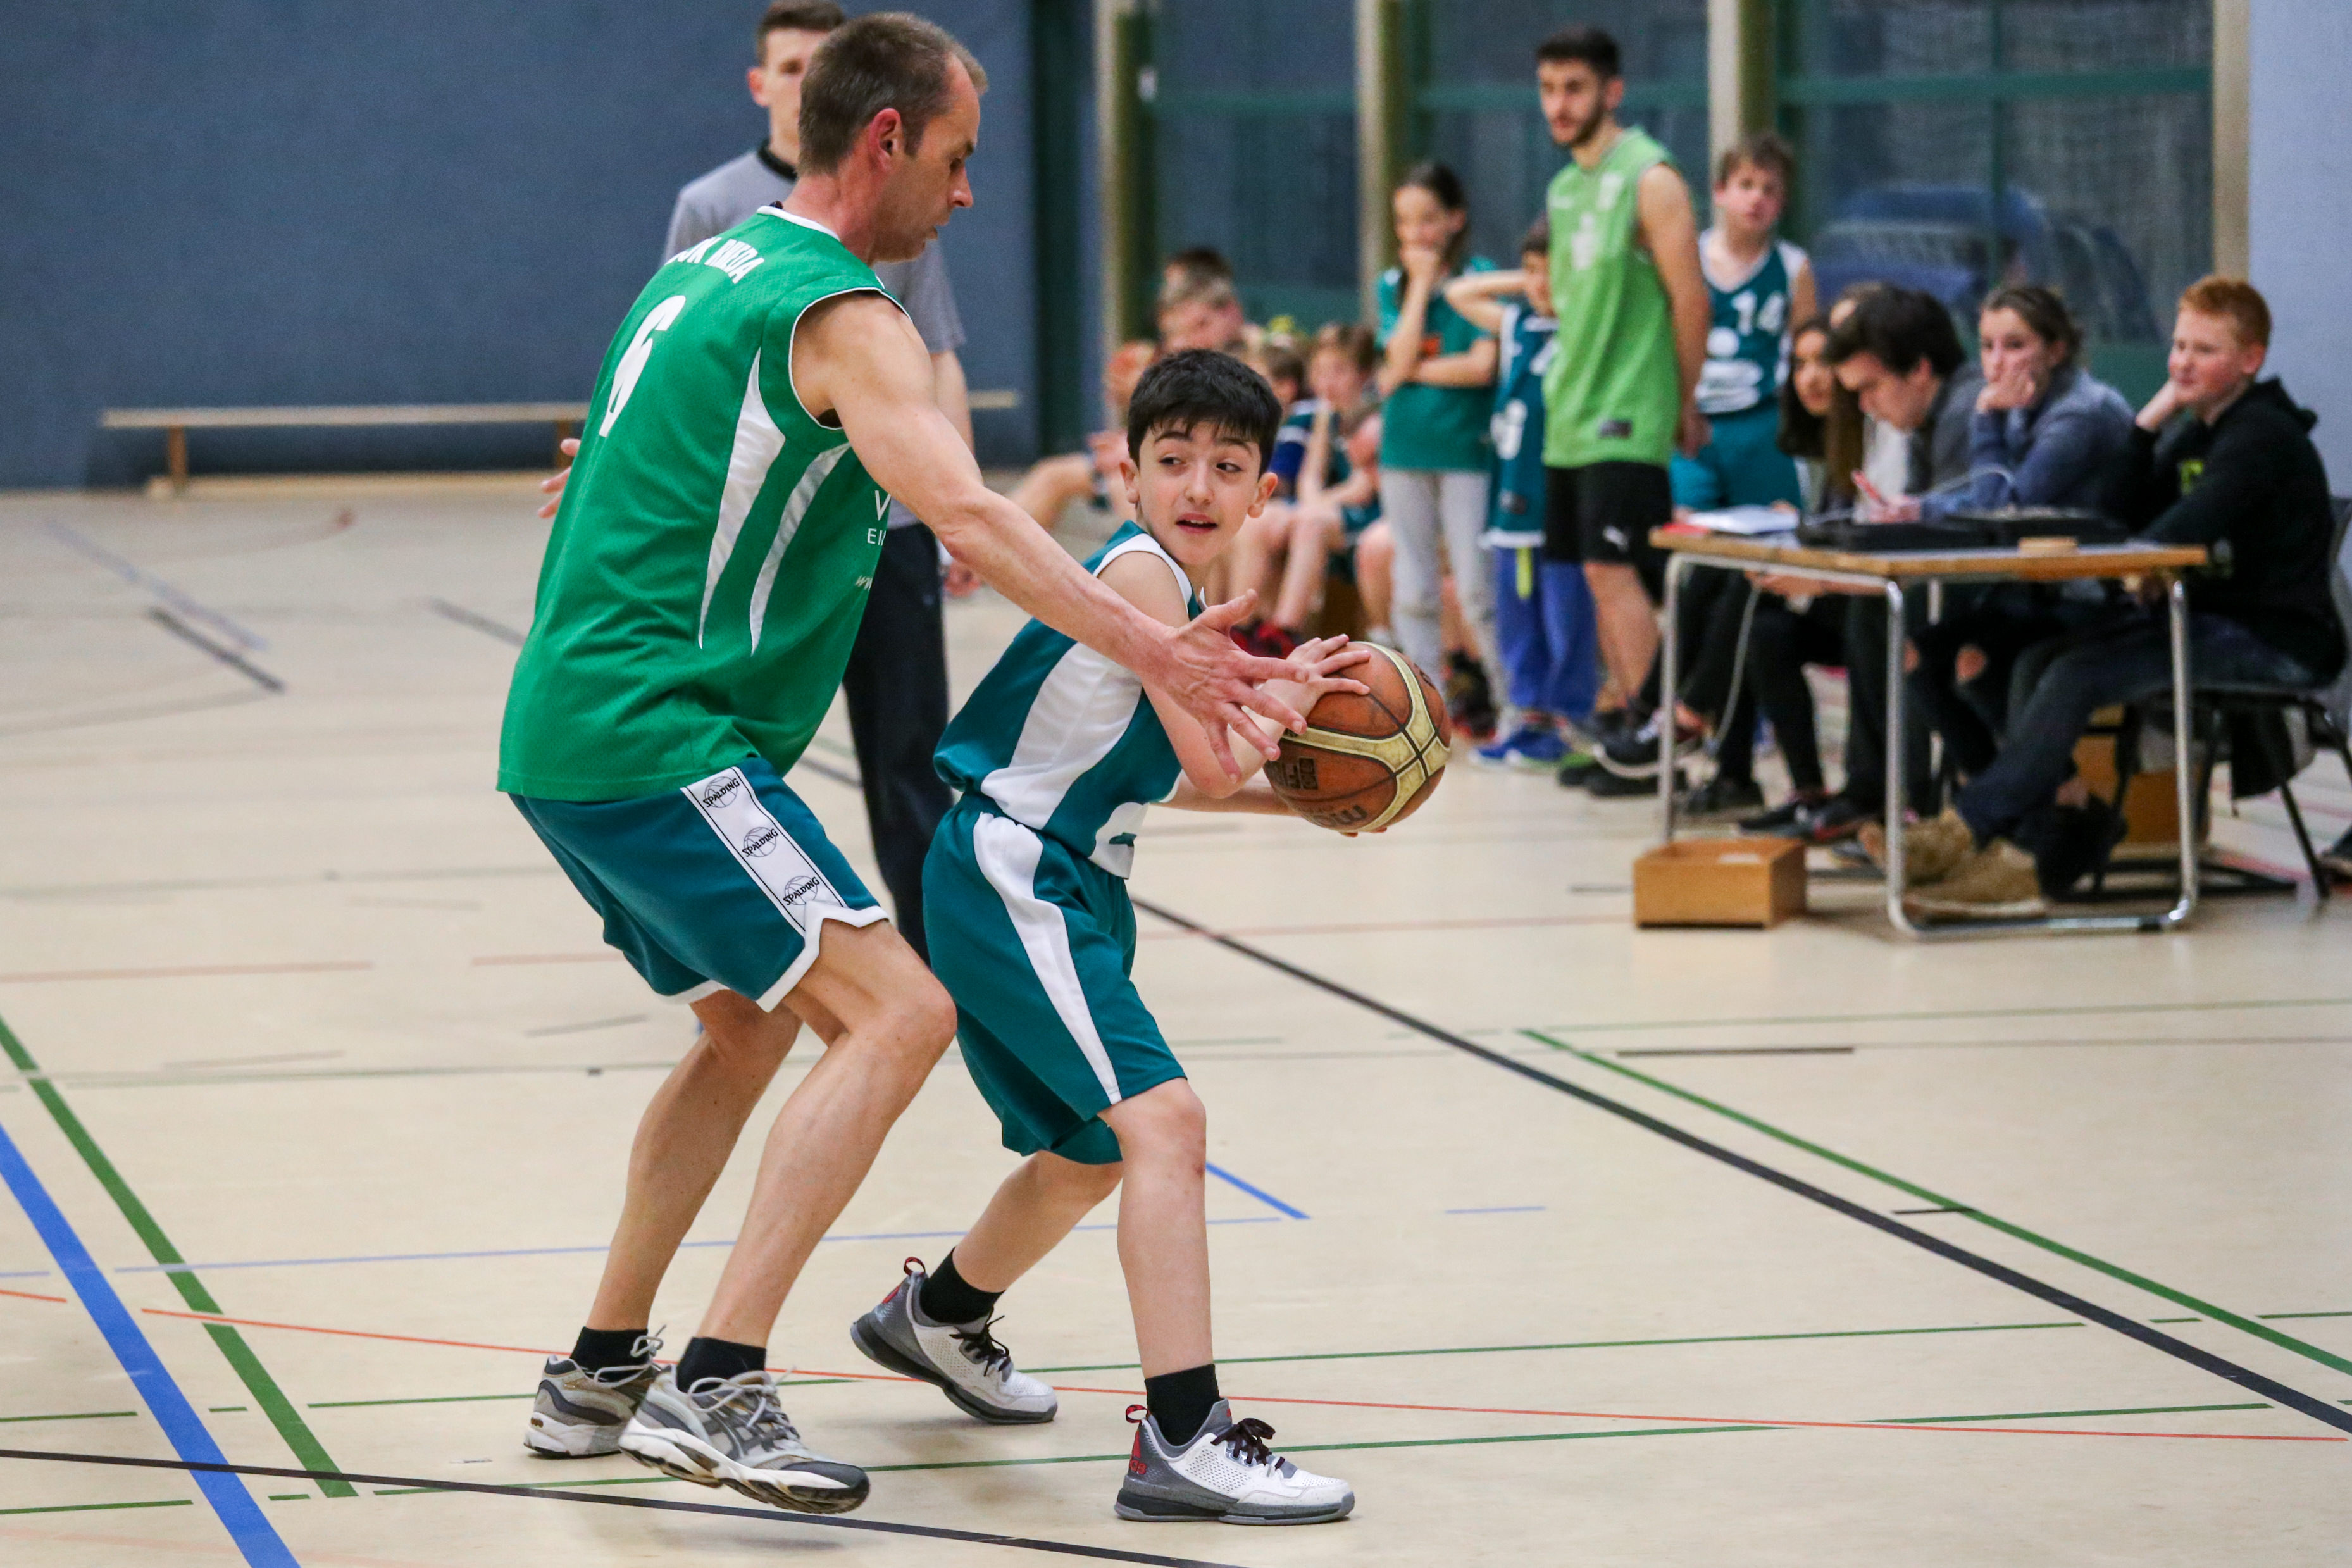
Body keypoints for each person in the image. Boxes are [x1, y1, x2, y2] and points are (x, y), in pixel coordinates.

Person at [503, 16, 1305, 1512]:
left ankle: (600, 1365)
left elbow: (610, 458)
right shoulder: (844, 313)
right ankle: (718, 1381)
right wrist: (1169, 649)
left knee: (746, 1030)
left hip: (568, 726)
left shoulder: (705, 269)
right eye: (957, 156)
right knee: (900, 1011)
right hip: (656, 728)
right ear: (886, 143)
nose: (967, 190)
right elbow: (978, 520)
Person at [849, 351, 1360, 1525]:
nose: (1197, 485)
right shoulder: (1140, 572)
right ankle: (1184, 1435)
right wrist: (1294, 712)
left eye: (1225, 466)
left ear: (1263, 493)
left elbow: (1169, 773)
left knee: (1088, 1148)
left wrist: (1314, 794)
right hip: (1013, 871)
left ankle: (937, 1317)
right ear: (1128, 475)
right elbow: (1211, 761)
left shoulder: (1174, 599)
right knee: (1166, 1123)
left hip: (1061, 876)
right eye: (1172, 460)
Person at [1864, 276, 2344, 916]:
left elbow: (2179, 530)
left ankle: (1973, 833)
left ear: (2250, 359)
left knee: (2077, 672)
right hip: (2200, 620)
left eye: (2204, 350)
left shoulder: (2262, 436)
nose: (2182, 363)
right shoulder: (2198, 430)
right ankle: (2048, 841)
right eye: (2179, 346)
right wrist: (2147, 423)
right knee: (2033, 662)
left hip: (2275, 639)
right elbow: (2117, 513)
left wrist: (2147, 558)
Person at [654, 0, 973, 961]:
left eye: (817, 65)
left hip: (887, 530)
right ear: (762, 85)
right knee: (738, 757)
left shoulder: (906, 206)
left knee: (910, 760)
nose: (803, 84)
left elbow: (938, 356)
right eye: (788, 68)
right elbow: (681, 368)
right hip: (775, 537)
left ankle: (935, 956)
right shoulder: (719, 211)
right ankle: (737, 957)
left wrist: (956, 505)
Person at [1534, 25, 1711, 756]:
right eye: (1548, 89)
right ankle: (1633, 719)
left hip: (1629, 409)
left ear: (1612, 92)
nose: (1559, 104)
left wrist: (1683, 399)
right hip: (1569, 411)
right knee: (1594, 573)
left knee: (1615, 569)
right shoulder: (1563, 187)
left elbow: (1690, 298)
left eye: (1574, 88)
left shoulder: (1651, 177)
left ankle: (1662, 730)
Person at [1904, 285, 2136, 785]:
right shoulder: (2024, 403)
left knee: (1976, 663)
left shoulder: (2079, 414)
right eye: (1987, 346)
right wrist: (1915, 510)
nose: (1995, 362)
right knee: (1917, 657)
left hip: (2094, 597)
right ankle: (2001, 806)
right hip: (2031, 590)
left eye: (2014, 346)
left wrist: (1985, 418)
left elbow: (2003, 510)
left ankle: (2049, 806)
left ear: (2055, 350)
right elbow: (1985, 501)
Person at [1793, 287, 1984, 842]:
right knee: (1872, 613)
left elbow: (1957, 542)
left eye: (1871, 388)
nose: (1863, 406)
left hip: (2012, 591)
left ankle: (1912, 804)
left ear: (1919, 369)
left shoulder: (1963, 414)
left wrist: (1825, 579)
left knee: (1898, 617)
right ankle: (1883, 795)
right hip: (1967, 582)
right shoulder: (1930, 417)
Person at [1447, 219, 1600, 769]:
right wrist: (1526, 277)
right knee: (1517, 619)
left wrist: (1567, 278)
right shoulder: (1517, 326)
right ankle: (1529, 720)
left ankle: (1571, 723)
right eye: (1532, 271)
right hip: (1512, 503)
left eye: (1550, 272)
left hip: (1561, 500)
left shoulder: (1585, 327)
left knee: (1566, 616)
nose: (1539, 283)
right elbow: (1458, 293)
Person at [1375, 161, 1501, 723]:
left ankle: (1514, 705)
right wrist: (1421, 287)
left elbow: (1481, 366)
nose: (1415, 234)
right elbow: (1396, 355)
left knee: (1476, 589)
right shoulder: (1391, 285)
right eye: (1404, 223)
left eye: (1427, 219)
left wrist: (1407, 372)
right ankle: (1428, 710)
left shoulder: (1479, 277)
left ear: (1455, 219)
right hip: (1403, 452)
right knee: (1413, 589)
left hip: (1465, 453)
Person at [1737, 316, 1852, 831]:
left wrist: (1805, 537)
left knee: (1742, 594)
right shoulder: (1820, 443)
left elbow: (1859, 529)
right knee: (1758, 618)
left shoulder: (1872, 431)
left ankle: (1682, 714)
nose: (1811, 377)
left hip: (1868, 601)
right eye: (1799, 364)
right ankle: (1806, 790)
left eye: (1824, 362)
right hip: (1839, 597)